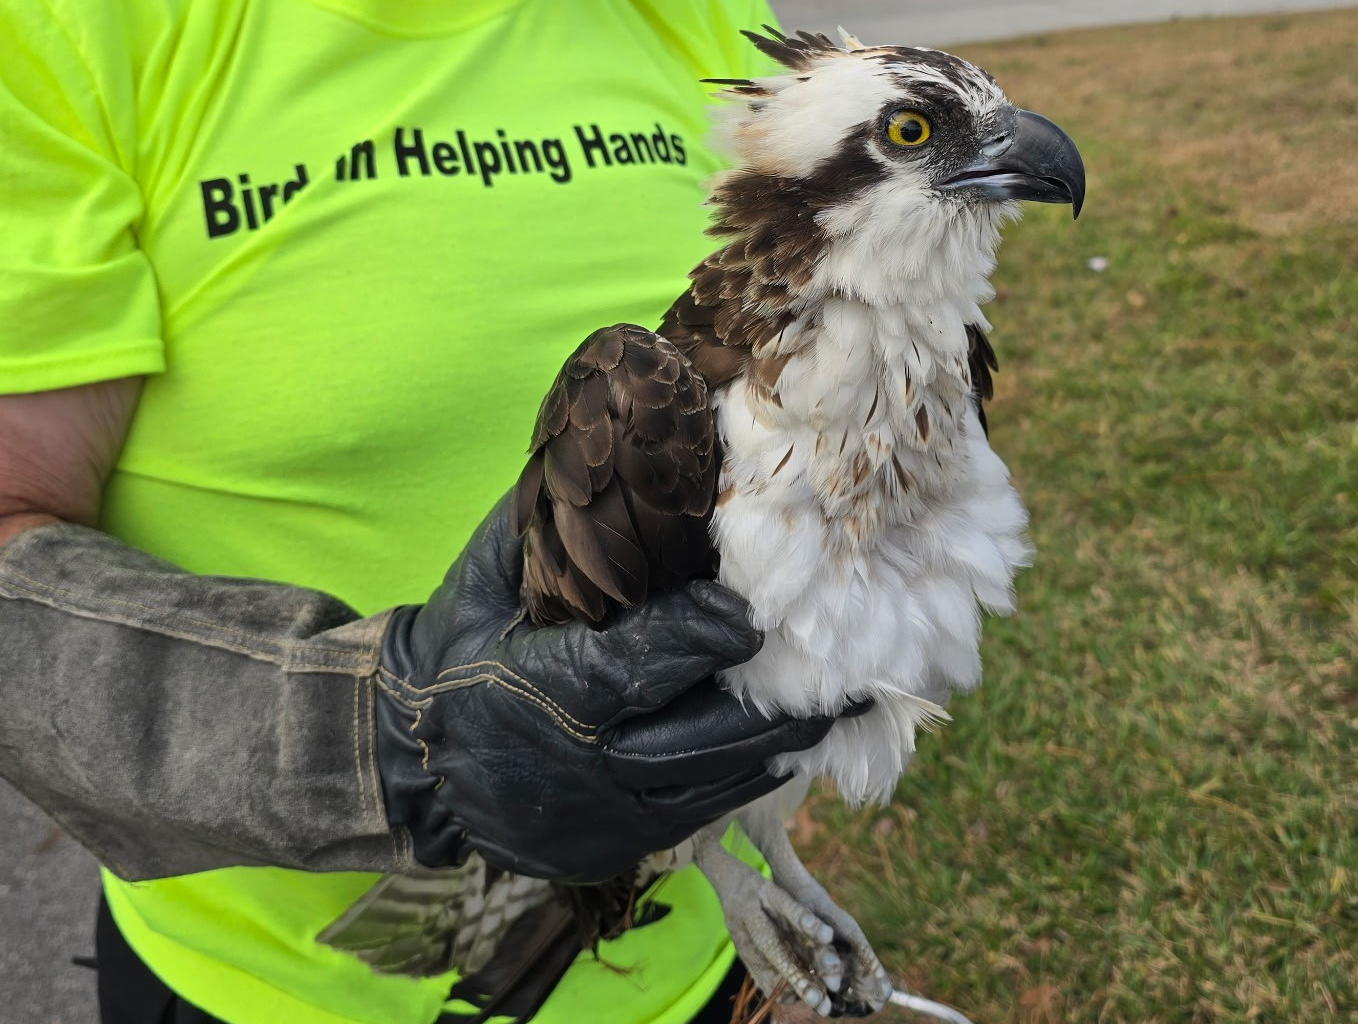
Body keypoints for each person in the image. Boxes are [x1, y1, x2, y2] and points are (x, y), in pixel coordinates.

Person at [0, 1, 835, 1022]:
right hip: (267, 991)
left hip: (697, 962)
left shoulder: (697, 16)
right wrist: (394, 735)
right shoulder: (71, 33)